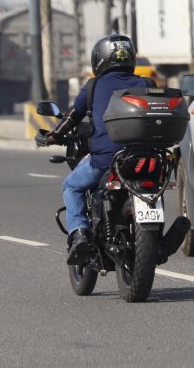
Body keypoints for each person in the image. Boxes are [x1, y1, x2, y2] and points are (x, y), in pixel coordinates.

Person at [37, 34, 155, 264]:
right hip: (146, 157)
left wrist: (53, 136)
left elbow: (73, 116)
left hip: (107, 160)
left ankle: (79, 232)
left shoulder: (94, 86)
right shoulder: (147, 84)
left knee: (71, 185)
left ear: (100, 59)